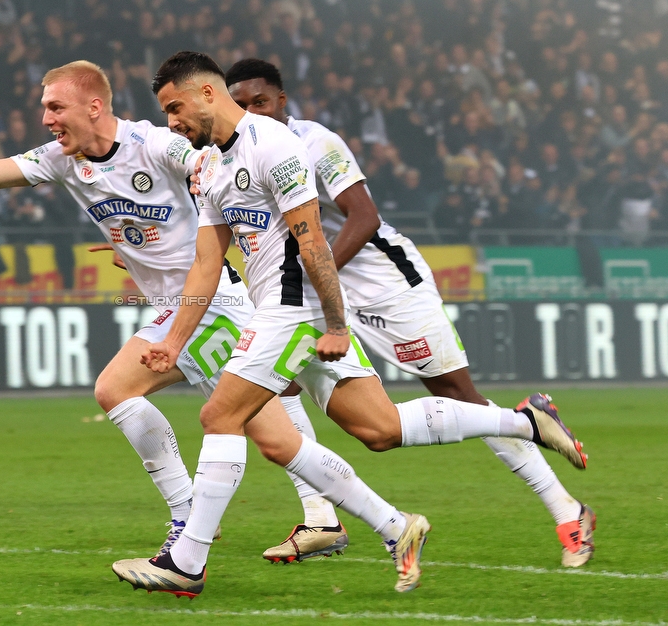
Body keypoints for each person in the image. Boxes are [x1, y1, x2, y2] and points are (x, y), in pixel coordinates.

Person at [111, 51, 587, 597]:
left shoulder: (278, 146)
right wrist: (173, 341)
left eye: (175, 107)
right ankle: (500, 441)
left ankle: (186, 563)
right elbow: (205, 261)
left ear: (206, 94)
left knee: (220, 414)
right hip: (278, 308)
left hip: (299, 309)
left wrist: (336, 325)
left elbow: (312, 238)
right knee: (377, 430)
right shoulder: (213, 169)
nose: (171, 122)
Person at [0, 60, 342, 559]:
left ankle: (198, 520)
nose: (46, 119)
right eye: (44, 109)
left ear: (94, 106)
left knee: (130, 392)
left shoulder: (156, 144)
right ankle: (340, 515)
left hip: (210, 301)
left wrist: (220, 207)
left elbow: (219, 165)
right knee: (269, 431)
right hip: (182, 304)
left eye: (55, 107)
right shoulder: (62, 158)